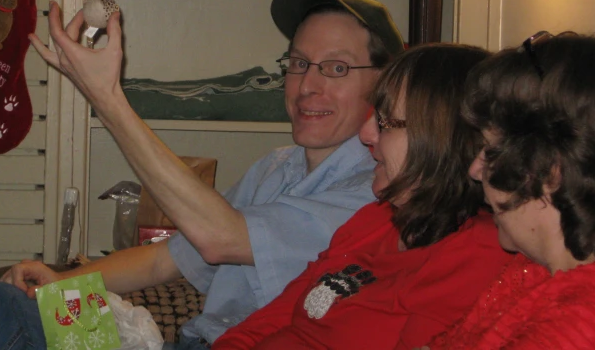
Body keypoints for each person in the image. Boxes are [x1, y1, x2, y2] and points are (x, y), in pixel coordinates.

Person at [0, 0, 405, 350]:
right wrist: (64, 282)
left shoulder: (373, 195)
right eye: (298, 63)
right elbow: (169, 256)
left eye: (337, 68)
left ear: (384, 84)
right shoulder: (276, 168)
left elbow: (222, 237)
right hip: (178, 343)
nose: (308, 85)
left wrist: (108, 99)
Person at [213, 44, 514, 350]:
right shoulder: (375, 219)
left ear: (442, 136)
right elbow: (268, 322)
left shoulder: (476, 252)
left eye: (386, 122)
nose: (366, 135)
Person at [427, 32, 595, 349]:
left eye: (490, 150)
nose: (475, 171)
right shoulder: (535, 268)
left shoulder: (587, 324)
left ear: (551, 169)